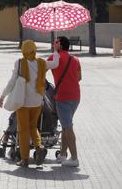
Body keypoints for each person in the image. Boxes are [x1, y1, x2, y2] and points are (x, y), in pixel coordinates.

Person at [0, 40, 59, 167]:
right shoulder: (42, 63)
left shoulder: (20, 63)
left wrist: (3, 96)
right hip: (37, 102)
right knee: (33, 127)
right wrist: (55, 51)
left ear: (23, 50)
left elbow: (12, 82)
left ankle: (25, 159)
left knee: (23, 130)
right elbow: (55, 64)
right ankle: (38, 147)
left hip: (23, 102)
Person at [48, 36, 82, 167]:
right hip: (76, 97)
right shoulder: (75, 59)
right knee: (65, 126)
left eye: (56, 42)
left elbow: (42, 69)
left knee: (68, 127)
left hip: (62, 97)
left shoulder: (53, 58)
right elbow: (79, 78)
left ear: (60, 45)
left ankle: (74, 158)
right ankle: (63, 155)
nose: (53, 43)